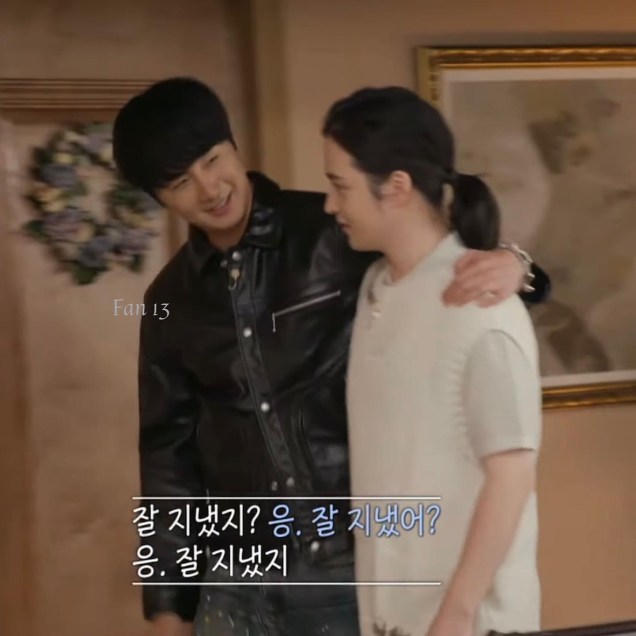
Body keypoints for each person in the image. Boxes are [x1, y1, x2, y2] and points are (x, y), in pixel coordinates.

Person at [112, 77, 549, 636]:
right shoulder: (168, 300)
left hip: (347, 563)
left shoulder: (338, 231)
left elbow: (448, 268)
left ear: (233, 145)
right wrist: (167, 606)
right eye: (179, 183)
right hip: (235, 578)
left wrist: (519, 265)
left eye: (212, 160)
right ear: (160, 199)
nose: (209, 188)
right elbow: (165, 457)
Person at [322, 86, 542, 636]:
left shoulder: (481, 307)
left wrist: (457, 612)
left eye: (340, 187)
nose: (330, 205)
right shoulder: (376, 287)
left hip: (466, 621)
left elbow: (512, 474)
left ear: (396, 187)